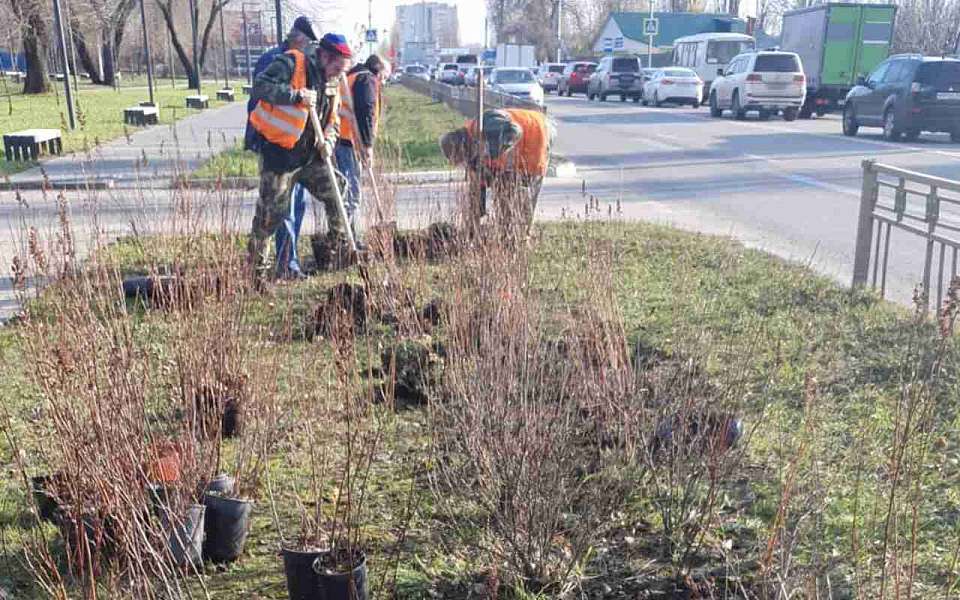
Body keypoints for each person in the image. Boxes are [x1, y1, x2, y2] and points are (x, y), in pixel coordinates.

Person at [246, 32, 352, 284]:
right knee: (270, 216)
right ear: (325, 56)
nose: (338, 74)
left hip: (310, 158)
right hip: (280, 158)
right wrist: (295, 96)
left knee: (338, 188)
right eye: (337, 67)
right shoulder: (293, 63)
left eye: (343, 70)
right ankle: (256, 274)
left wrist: (329, 140)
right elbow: (260, 87)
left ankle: (335, 250)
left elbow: (334, 120)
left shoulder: (332, 80)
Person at [243, 17, 317, 279]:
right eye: (310, 44)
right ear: (299, 40)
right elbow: (261, 95)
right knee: (280, 208)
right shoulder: (277, 60)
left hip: (294, 150)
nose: (311, 51)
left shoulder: (301, 63)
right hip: (275, 148)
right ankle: (285, 265)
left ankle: (287, 260)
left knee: (296, 205)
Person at [439, 108, 552, 230]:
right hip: (514, 158)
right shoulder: (472, 150)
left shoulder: (485, 126)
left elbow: (514, 131)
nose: (464, 164)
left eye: (461, 160)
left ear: (462, 149)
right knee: (503, 188)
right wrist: (477, 211)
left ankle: (523, 236)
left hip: (536, 134)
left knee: (524, 200)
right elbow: (478, 183)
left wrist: (492, 154)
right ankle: (507, 231)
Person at [336, 54, 391, 243]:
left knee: (347, 190)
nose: (383, 81)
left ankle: (347, 236)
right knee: (352, 193)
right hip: (350, 141)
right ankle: (351, 239)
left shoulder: (354, 75)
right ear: (378, 69)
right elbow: (365, 112)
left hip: (343, 139)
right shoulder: (366, 80)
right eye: (384, 76)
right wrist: (367, 146)